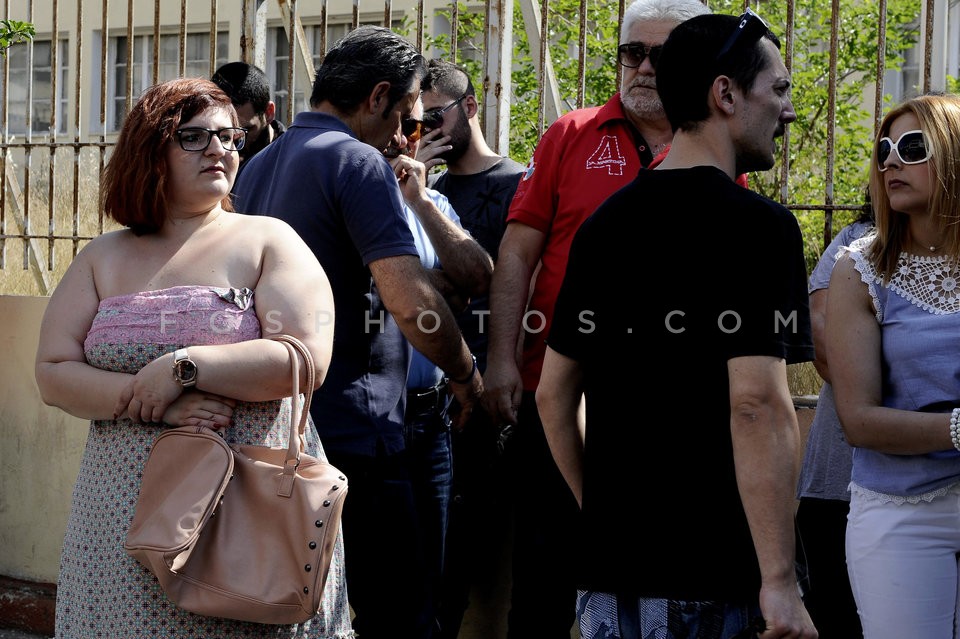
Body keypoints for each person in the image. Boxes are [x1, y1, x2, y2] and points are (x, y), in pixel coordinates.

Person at [33, 77, 351, 638]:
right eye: (195, 136)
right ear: (149, 149)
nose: (219, 149)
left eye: (229, 136)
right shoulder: (102, 257)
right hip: (119, 518)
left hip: (241, 519)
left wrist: (184, 367)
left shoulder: (268, 240)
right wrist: (151, 401)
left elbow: (305, 358)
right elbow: (53, 372)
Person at [536, 9, 818, 638]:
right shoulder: (758, 228)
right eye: (778, 89)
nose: (788, 110)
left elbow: (552, 395)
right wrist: (778, 579)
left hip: (611, 580)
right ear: (725, 94)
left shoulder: (604, 225)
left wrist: (603, 513)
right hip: (716, 578)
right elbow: (757, 405)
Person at [231, 25, 483, 639]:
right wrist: (465, 372)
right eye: (405, 115)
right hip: (360, 436)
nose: (404, 135)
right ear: (377, 97)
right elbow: (409, 301)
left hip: (282, 426)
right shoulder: (357, 160)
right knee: (401, 615)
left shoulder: (259, 166)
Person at [481, 0, 714, 635]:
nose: (643, 68)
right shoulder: (570, 134)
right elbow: (517, 252)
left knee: (648, 578)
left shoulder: (715, 145)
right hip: (556, 391)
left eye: (661, 56)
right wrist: (501, 359)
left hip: (666, 410)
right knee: (545, 578)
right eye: (632, 53)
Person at [826, 92, 960, 638]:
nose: (891, 162)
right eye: (883, 150)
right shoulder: (860, 269)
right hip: (901, 511)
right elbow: (858, 421)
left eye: (912, 147)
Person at [418, 58, 526, 639]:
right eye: (417, 119)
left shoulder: (518, 183)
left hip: (494, 384)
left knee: (470, 536)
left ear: (471, 107)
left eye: (436, 116)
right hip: (432, 386)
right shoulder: (420, 188)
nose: (428, 129)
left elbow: (518, 285)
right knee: (428, 550)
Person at [386, 97, 495, 635]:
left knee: (436, 575)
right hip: (373, 418)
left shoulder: (432, 201)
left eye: (417, 126)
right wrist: (428, 287)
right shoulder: (346, 197)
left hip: (431, 419)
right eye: (403, 122)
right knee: (381, 583)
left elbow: (476, 278)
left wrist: (421, 202)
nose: (406, 136)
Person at [795, 203, 873, 639]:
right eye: (882, 167)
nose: (892, 169)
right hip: (838, 484)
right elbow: (824, 342)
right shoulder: (854, 242)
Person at [211, 61, 286, 176]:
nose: (234, 145)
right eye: (224, 135)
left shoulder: (289, 159)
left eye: (244, 132)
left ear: (269, 113)